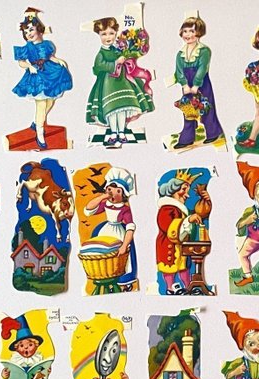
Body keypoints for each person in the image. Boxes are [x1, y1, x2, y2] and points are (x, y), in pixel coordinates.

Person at [86, 17, 154, 148]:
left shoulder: (118, 49)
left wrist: (127, 57)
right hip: (108, 85)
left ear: (116, 33)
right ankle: (113, 133)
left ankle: (121, 132)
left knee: (122, 108)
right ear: (99, 35)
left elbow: (127, 58)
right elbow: (98, 66)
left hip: (122, 82)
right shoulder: (101, 53)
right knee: (112, 109)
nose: (108, 37)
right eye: (104, 34)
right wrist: (116, 62)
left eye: (111, 33)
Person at [13, 10, 73, 149]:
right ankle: (39, 133)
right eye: (26, 32)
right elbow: (21, 62)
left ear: (39, 29)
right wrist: (29, 66)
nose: (28, 33)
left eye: (31, 30)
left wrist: (58, 60)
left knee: (50, 100)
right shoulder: (27, 47)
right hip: (36, 76)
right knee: (40, 104)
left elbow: (50, 56)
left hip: (49, 72)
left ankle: (36, 122)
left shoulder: (47, 44)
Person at [173, 16, 224, 149]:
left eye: (191, 31)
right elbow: (179, 71)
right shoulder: (180, 54)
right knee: (188, 108)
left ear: (198, 33)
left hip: (201, 83)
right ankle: (187, 138)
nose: (188, 34)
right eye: (185, 31)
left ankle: (213, 132)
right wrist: (184, 85)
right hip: (186, 84)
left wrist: (196, 85)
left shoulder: (204, 51)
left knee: (206, 106)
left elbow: (202, 68)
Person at [83, 167, 138, 290]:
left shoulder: (124, 209)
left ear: (123, 195)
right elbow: (88, 209)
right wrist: (102, 197)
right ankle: (101, 271)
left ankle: (121, 279)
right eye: (109, 190)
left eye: (118, 191)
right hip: (106, 231)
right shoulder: (105, 204)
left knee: (119, 256)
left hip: (118, 232)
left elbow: (130, 228)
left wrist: (124, 245)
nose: (112, 193)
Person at [155, 170, 205, 294]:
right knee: (170, 269)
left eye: (187, 191)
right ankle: (169, 288)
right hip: (169, 246)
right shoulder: (167, 209)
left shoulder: (181, 209)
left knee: (184, 267)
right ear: (173, 190)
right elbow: (168, 228)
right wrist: (188, 220)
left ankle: (188, 287)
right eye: (183, 190)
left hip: (181, 246)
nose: (187, 195)